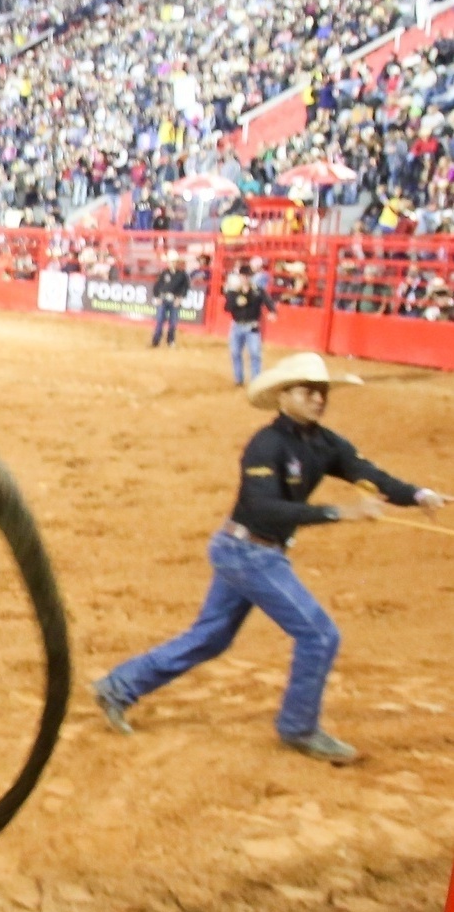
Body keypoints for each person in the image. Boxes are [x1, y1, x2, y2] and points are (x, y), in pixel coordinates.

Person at [93, 352, 445, 763]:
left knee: (210, 637)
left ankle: (119, 686)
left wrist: (418, 494)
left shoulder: (325, 443)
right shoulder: (265, 445)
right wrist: (338, 512)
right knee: (319, 635)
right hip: (249, 552)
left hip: (247, 550)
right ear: (284, 396)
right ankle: (298, 728)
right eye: (308, 391)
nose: (318, 399)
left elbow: (371, 475)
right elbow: (263, 508)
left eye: (322, 392)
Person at [221, 258, 270, 386]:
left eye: (247, 276)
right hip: (237, 325)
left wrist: (272, 311)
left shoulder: (257, 291)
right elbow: (226, 308)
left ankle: (256, 380)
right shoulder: (234, 292)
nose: (245, 279)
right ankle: (239, 379)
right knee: (235, 353)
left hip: (251, 326)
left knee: (255, 353)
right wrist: (236, 303)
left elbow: (267, 301)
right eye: (243, 276)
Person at [150, 250, 189, 346]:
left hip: (174, 300)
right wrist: (157, 296)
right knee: (159, 321)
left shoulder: (182, 275)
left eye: (173, 262)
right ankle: (156, 340)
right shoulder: (164, 273)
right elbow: (157, 286)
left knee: (173, 322)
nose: (171, 264)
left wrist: (179, 298)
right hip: (163, 299)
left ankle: (170, 340)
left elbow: (185, 288)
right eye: (170, 262)